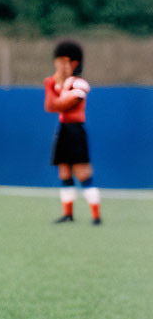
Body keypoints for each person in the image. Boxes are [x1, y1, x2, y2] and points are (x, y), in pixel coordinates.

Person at [43, 40, 101, 225]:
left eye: (62, 60)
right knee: (64, 171)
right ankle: (68, 214)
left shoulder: (80, 84)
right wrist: (51, 86)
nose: (58, 65)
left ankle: (96, 216)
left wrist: (49, 87)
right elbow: (49, 106)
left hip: (76, 130)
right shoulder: (57, 85)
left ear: (73, 63)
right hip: (63, 130)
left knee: (82, 173)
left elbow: (59, 104)